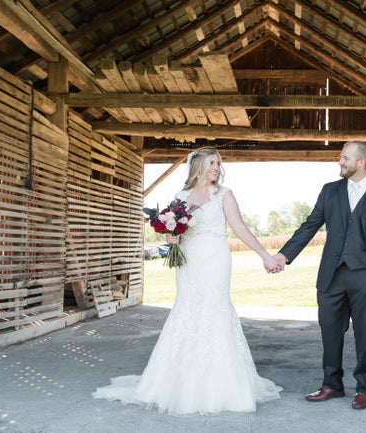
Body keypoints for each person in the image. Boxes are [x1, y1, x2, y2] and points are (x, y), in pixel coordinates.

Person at [93, 148, 282, 415]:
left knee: (215, 310)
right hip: (188, 263)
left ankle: (222, 385)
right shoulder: (180, 198)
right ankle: (177, 381)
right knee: (186, 309)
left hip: (215, 260)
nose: (217, 167)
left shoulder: (223, 194)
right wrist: (172, 238)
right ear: (198, 166)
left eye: (218, 163)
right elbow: (177, 234)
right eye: (212, 163)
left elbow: (239, 228)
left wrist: (265, 254)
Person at [273, 141, 366, 410]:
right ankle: (332, 384)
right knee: (330, 332)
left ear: (361, 162)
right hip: (331, 276)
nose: (340, 162)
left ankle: (364, 388)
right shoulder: (330, 191)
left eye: (345, 158)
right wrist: (284, 255)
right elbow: (309, 226)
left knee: (364, 334)